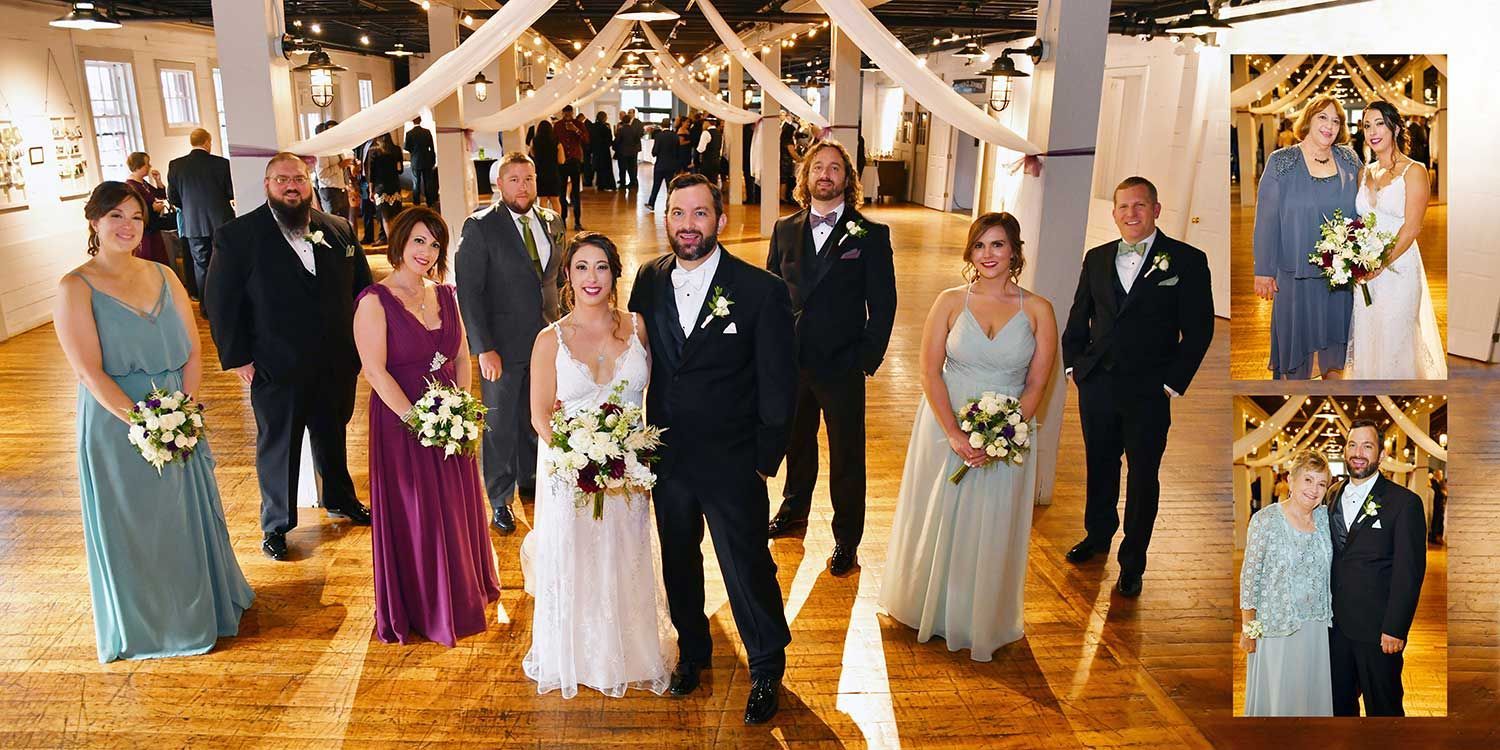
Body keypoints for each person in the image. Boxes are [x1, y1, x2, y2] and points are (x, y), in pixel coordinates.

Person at [54, 181, 253, 662]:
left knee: (185, 514)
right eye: (116, 216)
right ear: (94, 222)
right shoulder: (74, 287)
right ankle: (156, 624)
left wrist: (181, 411)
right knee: (139, 521)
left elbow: (191, 351)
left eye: (136, 217)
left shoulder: (165, 273)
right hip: (117, 421)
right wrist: (145, 424)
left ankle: (205, 603)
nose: (127, 226)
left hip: (176, 415)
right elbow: (88, 371)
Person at [627, 174, 796, 725]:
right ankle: (693, 652)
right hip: (668, 455)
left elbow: (778, 384)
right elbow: (637, 357)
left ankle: (767, 662)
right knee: (678, 559)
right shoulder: (649, 279)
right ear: (666, 218)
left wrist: (763, 459)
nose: (688, 225)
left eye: (700, 214)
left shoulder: (760, 290)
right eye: (678, 213)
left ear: (720, 220)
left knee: (746, 563)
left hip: (732, 457)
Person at [878, 212, 1057, 661]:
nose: (988, 255)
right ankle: (927, 606)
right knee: (939, 513)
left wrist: (1008, 431)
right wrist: (956, 433)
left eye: (997, 245)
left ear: (1014, 251)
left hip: (1007, 435)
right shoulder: (949, 301)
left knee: (990, 521)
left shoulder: (1039, 310)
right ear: (970, 252)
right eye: (980, 246)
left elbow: (1038, 383)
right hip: (944, 423)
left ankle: (977, 615)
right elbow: (927, 369)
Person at [521, 231, 676, 698]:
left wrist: (626, 455)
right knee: (579, 556)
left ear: (615, 273)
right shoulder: (550, 340)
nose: (593, 277)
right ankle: (577, 651)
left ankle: (630, 647)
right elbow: (540, 415)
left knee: (624, 555)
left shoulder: (639, 327)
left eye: (602, 267)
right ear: (567, 275)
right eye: (582, 267)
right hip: (573, 474)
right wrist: (582, 457)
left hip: (629, 473)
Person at [204, 153, 373, 561]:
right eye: (282, 179)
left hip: (335, 360)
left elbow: (363, 291)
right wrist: (238, 357)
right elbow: (220, 303)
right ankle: (277, 524)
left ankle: (339, 497)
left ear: (310, 182)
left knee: (333, 433)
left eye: (298, 178)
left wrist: (366, 346)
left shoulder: (340, 229)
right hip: (275, 363)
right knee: (279, 445)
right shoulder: (238, 236)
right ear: (267, 185)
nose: (291, 185)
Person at [1061, 176, 1215, 597]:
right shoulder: (1096, 258)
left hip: (1149, 391)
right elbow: (1078, 320)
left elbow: (1199, 330)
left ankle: (1133, 562)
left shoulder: (1186, 260)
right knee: (1100, 467)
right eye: (1123, 207)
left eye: (1140, 206)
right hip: (1098, 387)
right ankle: (1097, 537)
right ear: (1113, 214)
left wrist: (1171, 385)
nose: (1131, 213)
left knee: (1143, 476)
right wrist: (1075, 369)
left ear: (1157, 210)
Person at [353, 206, 500, 646]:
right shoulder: (373, 301)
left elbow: (459, 358)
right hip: (402, 427)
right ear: (399, 242)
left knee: (454, 509)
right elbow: (375, 372)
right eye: (419, 240)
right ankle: (423, 605)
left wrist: (460, 409)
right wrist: (420, 422)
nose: (427, 251)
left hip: (449, 423)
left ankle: (461, 592)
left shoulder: (446, 294)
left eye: (435, 244)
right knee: (417, 515)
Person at [765, 141, 897, 576]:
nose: (825, 174)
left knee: (846, 455)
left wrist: (865, 357)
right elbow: (769, 295)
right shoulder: (784, 228)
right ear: (805, 177)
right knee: (795, 444)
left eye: (835, 168)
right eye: (817, 167)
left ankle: (847, 539)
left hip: (842, 364)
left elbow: (884, 302)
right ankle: (794, 509)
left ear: (847, 179)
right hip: (791, 360)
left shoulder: (870, 235)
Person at [455, 152, 566, 533]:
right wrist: (483, 347)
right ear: (498, 184)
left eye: (529, 178)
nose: (523, 186)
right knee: (500, 424)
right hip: (501, 345)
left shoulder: (552, 221)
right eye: (515, 179)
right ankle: (500, 499)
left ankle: (531, 481)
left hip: (547, 338)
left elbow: (554, 282)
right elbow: (470, 292)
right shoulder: (481, 227)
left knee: (536, 413)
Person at [1253, 95, 1361, 379]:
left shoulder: (1349, 159)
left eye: (1336, 120)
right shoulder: (1282, 161)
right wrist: (1263, 271)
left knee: (1336, 355)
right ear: (1309, 120)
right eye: (1322, 117)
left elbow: (1364, 206)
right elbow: (1266, 219)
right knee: (1296, 355)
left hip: (1338, 276)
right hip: (1294, 274)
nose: (1330, 125)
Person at [1326, 419, 1427, 716]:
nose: (1358, 453)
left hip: (1378, 633)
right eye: (1352, 445)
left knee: (1384, 710)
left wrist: (1395, 628)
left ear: (1381, 456)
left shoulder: (1404, 503)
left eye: (1367, 446)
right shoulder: (1331, 496)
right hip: (1333, 630)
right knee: (1338, 707)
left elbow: (1409, 573)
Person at [1346, 101, 1446, 379]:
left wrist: (1381, 263)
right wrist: (1354, 260)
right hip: (1366, 273)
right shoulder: (1364, 172)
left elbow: (1412, 228)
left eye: (1379, 123)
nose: (1372, 131)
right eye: (1367, 126)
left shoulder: (1414, 171)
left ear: (1395, 128)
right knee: (1371, 335)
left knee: (1396, 338)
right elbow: (1360, 222)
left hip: (1399, 269)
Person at [1239, 450, 1334, 716]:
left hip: (1315, 629)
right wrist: (1250, 630)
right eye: (1308, 480)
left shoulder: (1325, 520)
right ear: (1291, 480)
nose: (1314, 489)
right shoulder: (1265, 521)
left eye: (1321, 483)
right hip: (1276, 628)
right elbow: (1250, 578)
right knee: (1280, 702)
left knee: (1310, 699)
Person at [166, 128, 233, 299]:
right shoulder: (222, 163)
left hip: (193, 223)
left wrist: (190, 208)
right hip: (221, 221)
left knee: (201, 266)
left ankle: (205, 306)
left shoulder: (176, 165)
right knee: (225, 263)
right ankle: (225, 301)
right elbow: (231, 192)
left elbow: (172, 197)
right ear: (207, 142)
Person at [123, 152, 170, 265]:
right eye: (147, 164)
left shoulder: (143, 183)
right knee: (150, 263)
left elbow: (160, 195)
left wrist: (158, 180)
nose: (149, 166)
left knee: (161, 263)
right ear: (138, 166)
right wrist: (152, 208)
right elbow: (134, 210)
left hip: (153, 228)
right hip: (145, 232)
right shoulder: (131, 186)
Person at [314, 121, 358, 226]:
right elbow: (321, 174)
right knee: (332, 223)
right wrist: (340, 165)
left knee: (344, 222)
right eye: (331, 130)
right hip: (329, 191)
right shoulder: (323, 150)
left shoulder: (338, 149)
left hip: (342, 189)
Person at [364, 133, 405, 241]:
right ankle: (397, 241)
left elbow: (371, 174)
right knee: (395, 216)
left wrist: (370, 190)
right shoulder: (396, 150)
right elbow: (400, 170)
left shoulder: (373, 151)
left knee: (385, 217)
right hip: (394, 186)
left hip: (380, 187)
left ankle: (391, 242)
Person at [555, 106, 588, 230]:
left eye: (570, 113)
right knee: (562, 192)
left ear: (572, 113)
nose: (567, 115)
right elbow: (554, 142)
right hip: (562, 162)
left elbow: (586, 140)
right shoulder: (557, 125)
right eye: (565, 113)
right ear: (562, 113)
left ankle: (577, 222)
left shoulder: (578, 124)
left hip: (575, 161)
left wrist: (576, 130)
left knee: (576, 193)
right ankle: (562, 220)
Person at [529, 119, 564, 216]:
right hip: (553, 172)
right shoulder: (557, 142)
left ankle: (543, 223)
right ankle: (557, 223)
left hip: (540, 173)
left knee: (542, 200)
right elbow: (561, 160)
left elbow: (532, 155)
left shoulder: (534, 141)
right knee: (555, 200)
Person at [645, 118, 680, 210]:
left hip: (660, 165)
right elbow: (677, 152)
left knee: (656, 185)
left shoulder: (659, 136)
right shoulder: (675, 136)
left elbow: (655, 151)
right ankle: (670, 207)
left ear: (662, 125)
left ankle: (651, 204)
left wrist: (654, 153)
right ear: (670, 125)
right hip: (671, 165)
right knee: (670, 187)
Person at [403, 116, 438, 207]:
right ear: (421, 120)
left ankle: (416, 203)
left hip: (415, 160)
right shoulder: (426, 132)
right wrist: (433, 159)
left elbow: (406, 147)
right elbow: (432, 147)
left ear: (412, 121)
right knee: (428, 182)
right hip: (426, 160)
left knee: (416, 183)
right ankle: (429, 202)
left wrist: (413, 151)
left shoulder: (409, 133)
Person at [615, 109, 643, 190]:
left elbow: (617, 140)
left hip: (625, 151)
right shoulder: (631, 129)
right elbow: (637, 138)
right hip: (632, 150)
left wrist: (616, 148)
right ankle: (632, 181)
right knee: (631, 167)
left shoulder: (637, 123)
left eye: (630, 112)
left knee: (627, 167)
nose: (629, 114)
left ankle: (631, 182)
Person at [590, 111, 616, 191]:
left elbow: (591, 139)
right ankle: (606, 185)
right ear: (604, 118)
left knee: (598, 168)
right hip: (604, 151)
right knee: (606, 168)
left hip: (596, 151)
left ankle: (600, 184)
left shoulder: (593, 127)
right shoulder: (605, 128)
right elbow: (609, 140)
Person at [695, 117, 723, 186]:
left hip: (707, 163)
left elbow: (701, 149)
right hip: (716, 161)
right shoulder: (719, 133)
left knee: (705, 183)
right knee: (713, 183)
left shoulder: (706, 133)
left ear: (707, 123)